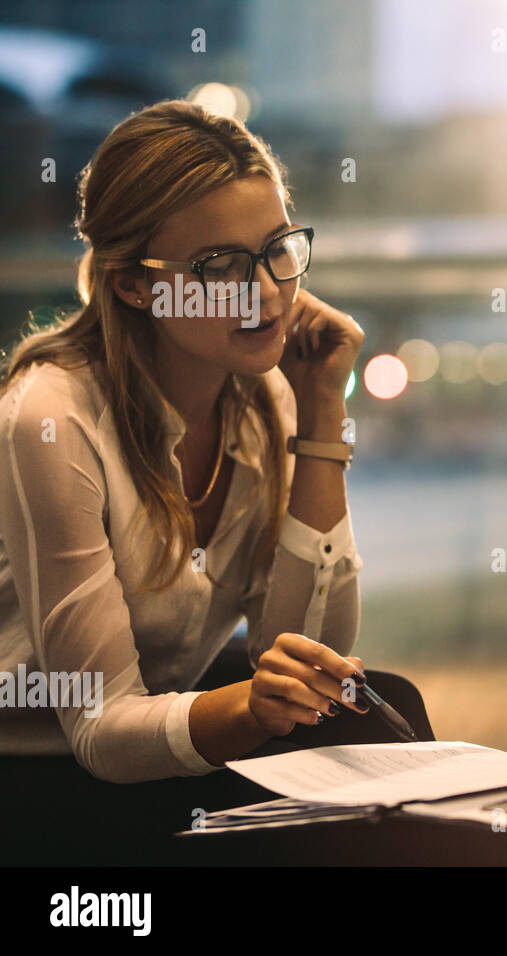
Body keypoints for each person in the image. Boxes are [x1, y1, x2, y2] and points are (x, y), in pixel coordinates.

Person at [0, 101, 432, 862]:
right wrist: (250, 710)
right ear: (135, 284)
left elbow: (308, 655)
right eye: (221, 268)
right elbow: (99, 730)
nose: (268, 293)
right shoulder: (52, 415)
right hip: (37, 774)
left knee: (380, 707)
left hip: (148, 749)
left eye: (277, 250)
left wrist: (322, 413)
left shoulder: (265, 392)